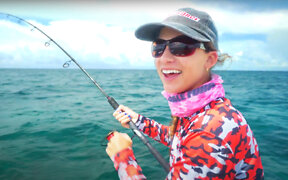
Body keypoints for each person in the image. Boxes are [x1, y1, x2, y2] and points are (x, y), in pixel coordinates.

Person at [106, 7, 263, 179]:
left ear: (209, 59)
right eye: (158, 47)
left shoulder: (209, 133)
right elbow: (180, 137)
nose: (164, 58)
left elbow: (197, 138)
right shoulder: (203, 110)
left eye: (180, 47)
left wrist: (122, 156)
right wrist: (139, 121)